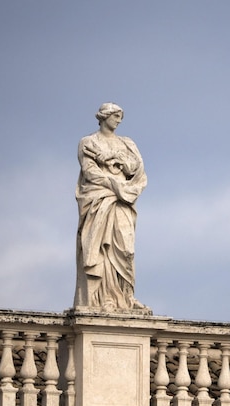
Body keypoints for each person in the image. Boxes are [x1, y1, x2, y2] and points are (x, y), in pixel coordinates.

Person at [74, 102, 148, 310]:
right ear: (104, 117)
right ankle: (103, 298)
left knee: (126, 249)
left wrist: (115, 159)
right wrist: (114, 184)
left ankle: (126, 297)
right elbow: (90, 172)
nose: (119, 120)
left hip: (123, 202)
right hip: (100, 199)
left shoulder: (126, 143)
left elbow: (136, 168)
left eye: (120, 117)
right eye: (115, 116)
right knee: (101, 250)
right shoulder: (88, 142)